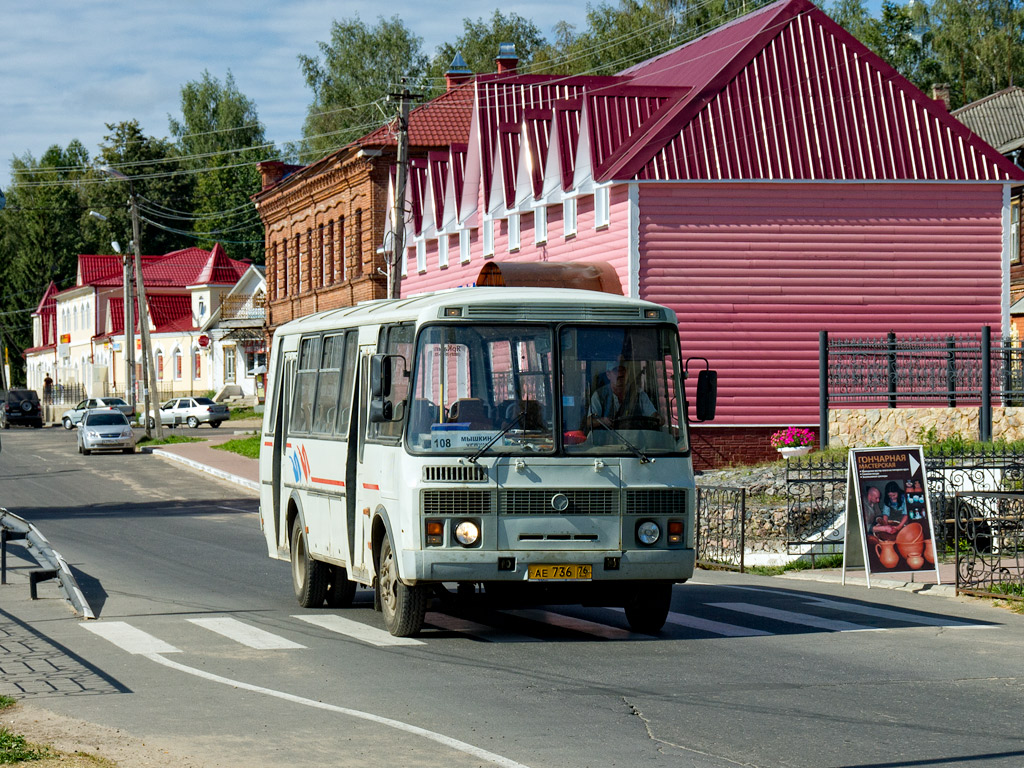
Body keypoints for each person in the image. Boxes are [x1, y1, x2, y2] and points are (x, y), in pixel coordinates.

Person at [589, 358, 658, 429]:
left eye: (622, 370)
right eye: (615, 371)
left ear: (627, 373)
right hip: (606, 439)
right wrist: (602, 421)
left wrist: (658, 418)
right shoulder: (599, 396)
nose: (620, 374)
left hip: (634, 439)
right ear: (608, 374)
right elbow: (589, 421)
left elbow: (654, 416)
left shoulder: (639, 394)